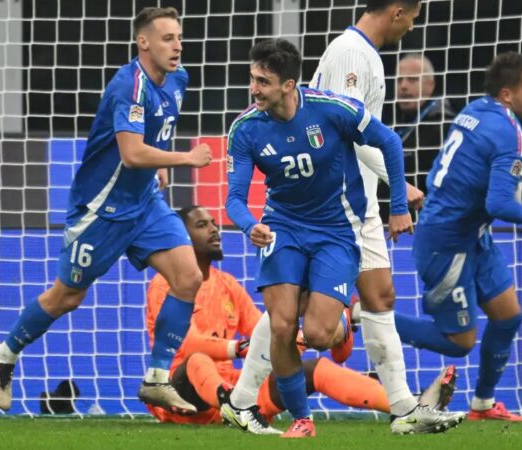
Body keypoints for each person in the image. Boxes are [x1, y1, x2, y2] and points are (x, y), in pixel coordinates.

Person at [222, 38, 460, 438]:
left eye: (263, 81)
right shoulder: (246, 128)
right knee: (282, 324)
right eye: (253, 78)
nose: (254, 89)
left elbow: (388, 142)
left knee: (316, 335)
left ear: (289, 84)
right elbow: (233, 198)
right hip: (283, 229)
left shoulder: (332, 110)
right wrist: (250, 226)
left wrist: (398, 205)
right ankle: (302, 420)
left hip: (336, 232)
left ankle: (341, 329)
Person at [0, 7, 213, 415]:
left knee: (189, 276)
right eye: (166, 38)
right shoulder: (129, 86)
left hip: (143, 205)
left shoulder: (178, 79)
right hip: (101, 211)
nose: (177, 46)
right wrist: (184, 159)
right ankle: (4, 354)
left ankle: (157, 378)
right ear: (143, 42)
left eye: (179, 37)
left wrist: (158, 164)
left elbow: (154, 133)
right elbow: (131, 151)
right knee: (67, 297)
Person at [394, 52, 522, 421]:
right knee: (459, 342)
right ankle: (363, 317)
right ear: (507, 95)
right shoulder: (511, 133)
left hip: (472, 234)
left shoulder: (477, 110)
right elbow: (498, 201)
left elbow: (489, 168)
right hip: (446, 241)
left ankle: (483, 404)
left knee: (508, 315)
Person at [305, 0, 464, 433]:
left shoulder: (362, 54)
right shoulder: (353, 55)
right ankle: (243, 398)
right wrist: (397, 190)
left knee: (380, 297)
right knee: (303, 317)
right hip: (337, 202)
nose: (412, 27)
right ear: (396, 11)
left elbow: (359, 135)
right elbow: (349, 136)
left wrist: (398, 186)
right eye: (412, 17)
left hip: (356, 198)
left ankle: (403, 410)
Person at [145, 205, 394, 433]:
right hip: (183, 396)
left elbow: (265, 330)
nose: (214, 230)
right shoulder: (165, 285)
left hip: (232, 386)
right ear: (183, 239)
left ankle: (401, 404)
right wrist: (238, 348)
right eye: (202, 225)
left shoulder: (227, 284)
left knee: (318, 368)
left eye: (213, 223)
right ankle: (233, 406)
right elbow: (186, 345)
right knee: (198, 361)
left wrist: (308, 337)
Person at [377, 54, 457, 221]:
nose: (403, 86)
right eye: (399, 80)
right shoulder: (388, 122)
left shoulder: (445, 127)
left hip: (424, 222)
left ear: (430, 85)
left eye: (412, 80)